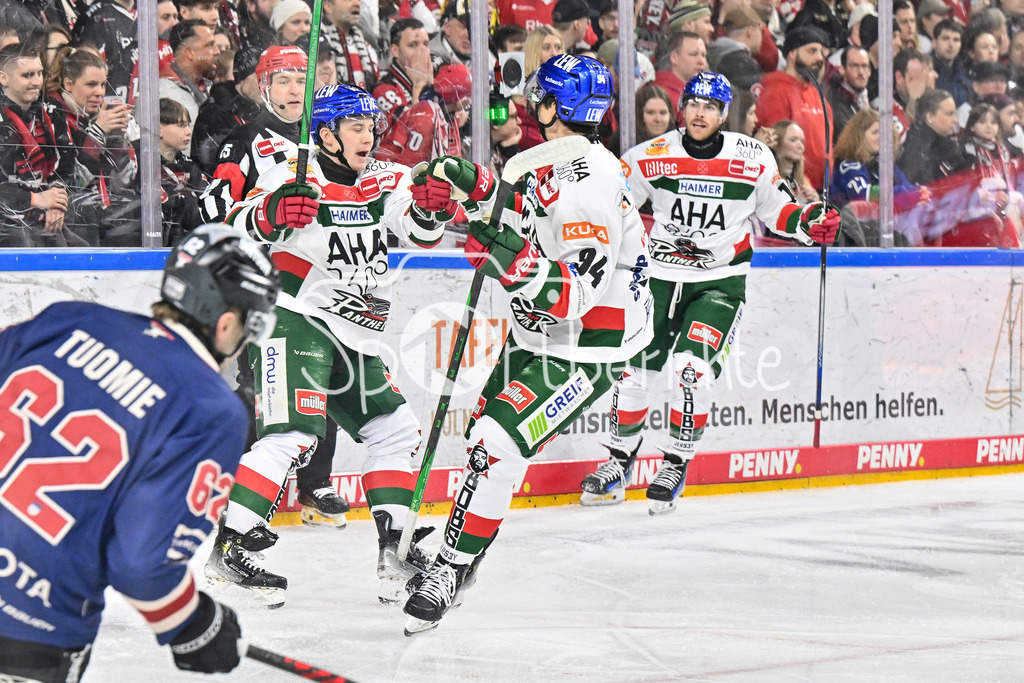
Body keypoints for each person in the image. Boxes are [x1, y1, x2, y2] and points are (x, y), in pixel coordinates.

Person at [401, 53, 654, 635]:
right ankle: (466, 548)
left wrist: (515, 265)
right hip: (534, 334)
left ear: (551, 107)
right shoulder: (549, 162)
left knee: (496, 440)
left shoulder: (590, 182)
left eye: (538, 96)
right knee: (485, 439)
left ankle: (449, 566)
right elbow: (520, 206)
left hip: (584, 350)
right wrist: (471, 185)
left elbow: (574, 298)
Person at [0, 224, 280, 683]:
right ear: (227, 321)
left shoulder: (68, 319)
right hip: (31, 632)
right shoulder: (210, 408)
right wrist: (194, 626)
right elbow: (142, 566)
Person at [207, 84, 447, 606]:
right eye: (356, 128)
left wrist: (432, 208)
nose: (368, 136)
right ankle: (231, 545)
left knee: (394, 430)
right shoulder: (293, 172)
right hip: (291, 317)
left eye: (371, 127)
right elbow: (235, 226)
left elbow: (421, 231)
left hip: (352, 331)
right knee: (293, 433)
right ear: (326, 135)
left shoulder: (389, 178)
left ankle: (396, 555)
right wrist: (272, 213)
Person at [578, 72, 839, 511]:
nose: (700, 113)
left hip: (718, 282)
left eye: (710, 107)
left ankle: (675, 463)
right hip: (658, 278)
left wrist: (810, 220)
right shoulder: (650, 156)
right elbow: (611, 204)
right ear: (683, 109)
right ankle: (619, 462)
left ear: (723, 114)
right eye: (694, 104)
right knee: (634, 373)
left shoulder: (752, 157)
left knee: (689, 369)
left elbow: (778, 211)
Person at [45, 47, 139, 247]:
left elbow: (125, 181)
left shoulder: (94, 117)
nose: (100, 92)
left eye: (103, 84)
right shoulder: (53, 115)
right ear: (68, 84)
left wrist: (116, 138)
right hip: (69, 217)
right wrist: (98, 132)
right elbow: (72, 184)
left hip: (101, 213)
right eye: (91, 85)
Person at [0, 44, 74, 247]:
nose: (36, 82)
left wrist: (56, 201)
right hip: (8, 222)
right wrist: (35, 200)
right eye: (28, 75)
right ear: (3, 78)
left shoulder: (52, 109)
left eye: (40, 74)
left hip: (43, 213)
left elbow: (67, 164)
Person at [756, 25, 834, 191]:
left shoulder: (818, 94)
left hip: (820, 192)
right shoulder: (775, 91)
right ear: (792, 53)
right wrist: (801, 185)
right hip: (792, 190)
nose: (820, 58)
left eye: (821, 52)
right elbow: (777, 147)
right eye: (812, 51)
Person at [830, 108, 927, 210]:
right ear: (859, 136)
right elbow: (864, 194)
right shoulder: (849, 164)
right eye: (875, 132)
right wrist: (906, 193)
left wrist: (921, 193)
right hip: (847, 224)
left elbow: (907, 187)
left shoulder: (884, 164)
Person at [159, 98, 208, 244]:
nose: (188, 132)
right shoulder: (143, 164)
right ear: (158, 128)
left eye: (188, 125)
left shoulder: (190, 167)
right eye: (181, 125)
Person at [898, 87, 970, 185]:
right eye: (949, 114)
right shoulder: (916, 150)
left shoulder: (950, 143)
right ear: (930, 117)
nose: (955, 120)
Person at [372, 18, 434, 129]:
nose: (422, 51)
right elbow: (411, 133)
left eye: (426, 44)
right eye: (413, 45)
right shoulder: (383, 90)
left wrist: (433, 86)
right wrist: (419, 86)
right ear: (395, 50)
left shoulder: (435, 77)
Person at [772, 120, 820, 204]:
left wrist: (816, 200)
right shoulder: (770, 178)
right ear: (776, 143)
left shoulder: (802, 180)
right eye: (793, 140)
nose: (800, 146)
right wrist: (796, 202)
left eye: (802, 141)